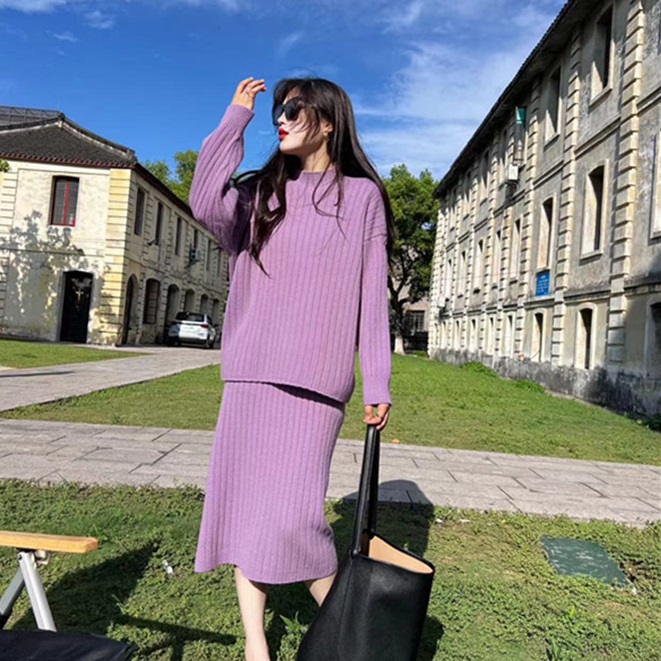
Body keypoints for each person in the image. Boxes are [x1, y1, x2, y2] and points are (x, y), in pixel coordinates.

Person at [190, 76, 394, 661]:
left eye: (293, 109)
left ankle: (354, 634)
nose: (280, 117)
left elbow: (372, 297)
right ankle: (256, 644)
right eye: (278, 109)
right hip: (251, 376)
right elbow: (203, 201)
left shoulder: (362, 198)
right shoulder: (260, 195)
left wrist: (377, 379)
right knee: (249, 511)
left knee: (297, 519)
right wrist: (236, 116)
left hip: (317, 385)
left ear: (327, 122)